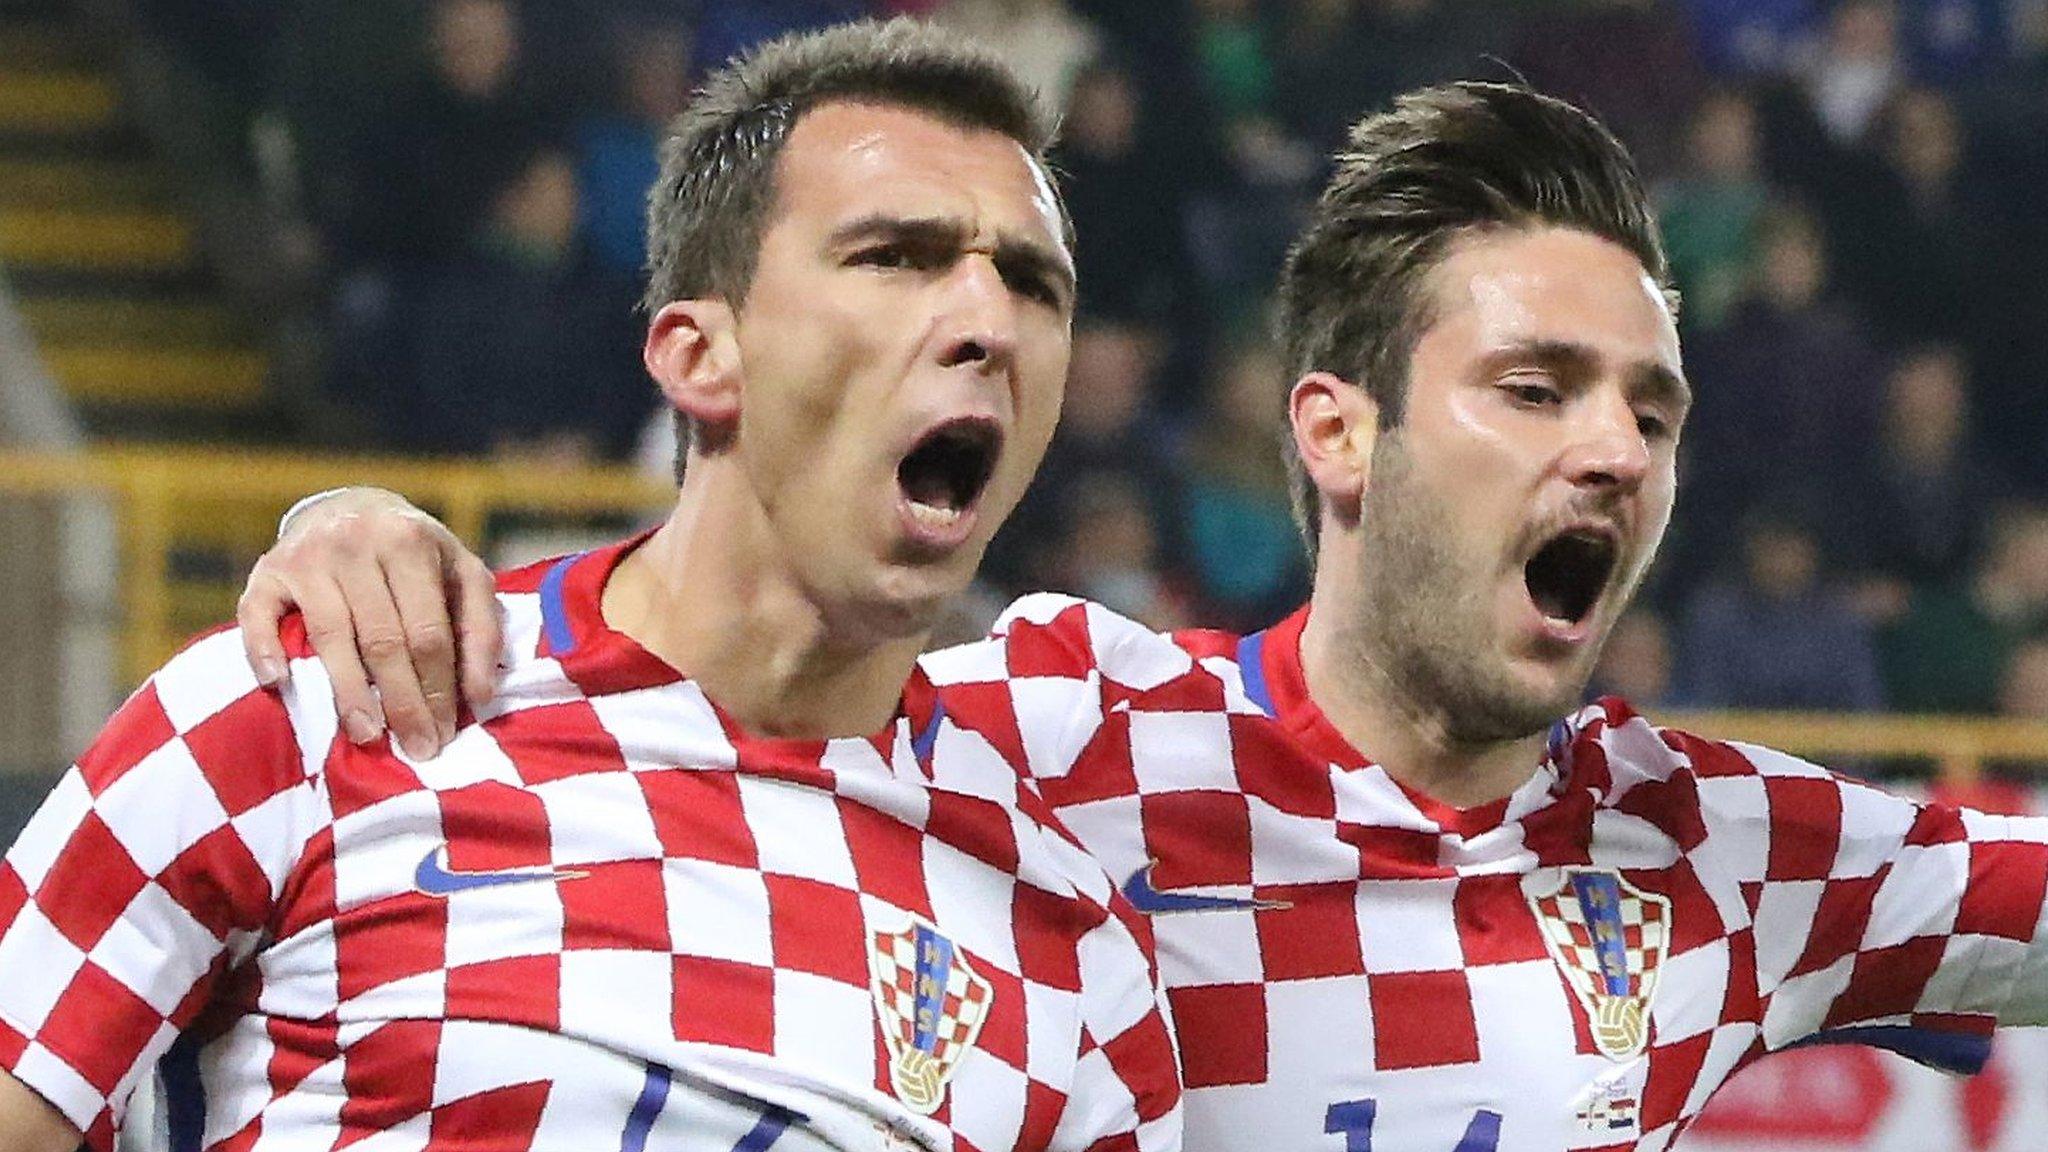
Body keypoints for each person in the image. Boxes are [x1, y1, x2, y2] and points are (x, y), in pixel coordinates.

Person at [245, 82, 2048, 1151]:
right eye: (1535, 386)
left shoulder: (1728, 847)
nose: (1613, 452)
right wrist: (360, 524)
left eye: (1648, 411)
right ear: (1338, 432)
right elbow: (698, 664)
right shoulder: (1058, 730)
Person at [0, 21, 1182, 1152]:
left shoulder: (1069, 940)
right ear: (696, 355)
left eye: (1032, 283)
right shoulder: (321, 706)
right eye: (896, 256)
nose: (986, 318)